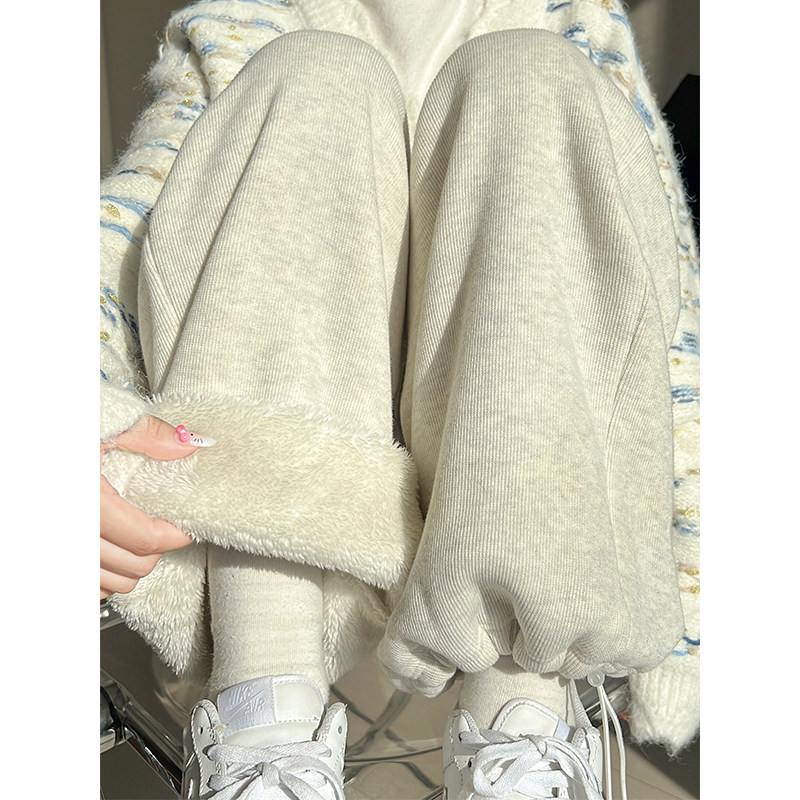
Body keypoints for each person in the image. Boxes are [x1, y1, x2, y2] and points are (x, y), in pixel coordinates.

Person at [100, 1, 700, 798]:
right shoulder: (253, 20)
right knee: (314, 77)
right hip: (284, 533)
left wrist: (697, 596)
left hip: (515, 500)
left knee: (528, 81)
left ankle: (518, 722)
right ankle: (263, 713)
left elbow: (670, 328)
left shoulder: (571, 23)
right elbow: (123, 234)